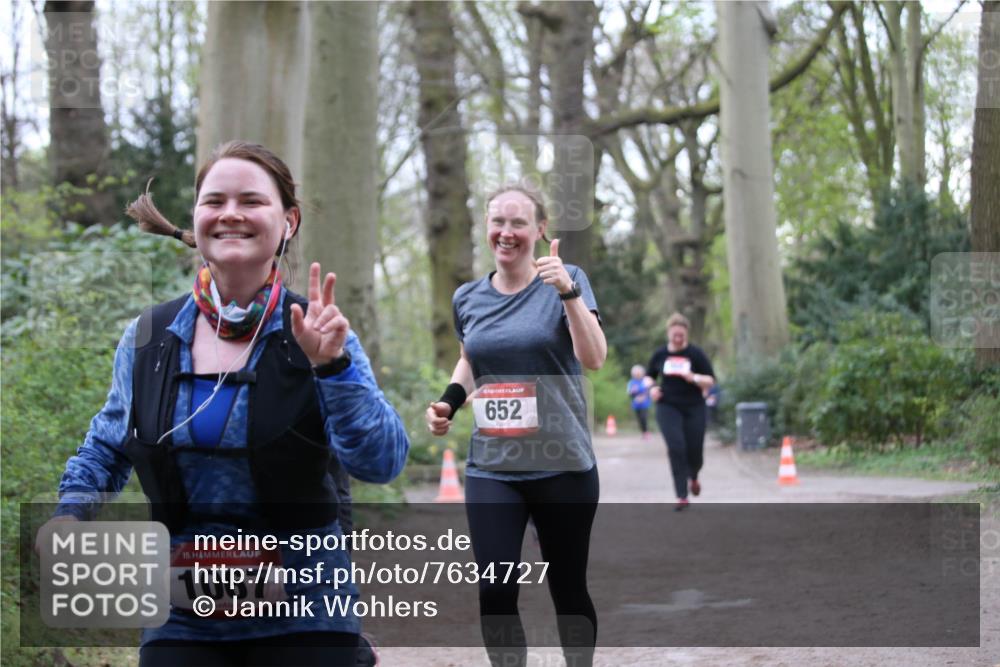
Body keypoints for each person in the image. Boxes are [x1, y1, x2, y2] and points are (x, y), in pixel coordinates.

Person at [37, 141, 409, 666]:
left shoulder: (319, 329)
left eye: (251, 201)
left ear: (288, 222)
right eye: (215, 201)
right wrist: (69, 515)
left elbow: (382, 462)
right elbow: (107, 444)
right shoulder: (149, 336)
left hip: (307, 609)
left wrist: (334, 368)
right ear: (197, 218)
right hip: (183, 613)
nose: (231, 213)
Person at [425, 183, 606, 667]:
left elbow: (594, 357)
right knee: (495, 590)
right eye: (497, 222)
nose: (506, 233)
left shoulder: (567, 279)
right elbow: (470, 359)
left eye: (518, 222)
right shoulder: (468, 297)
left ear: (540, 229)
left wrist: (566, 292)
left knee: (567, 589)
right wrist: (449, 401)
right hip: (494, 466)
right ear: (486, 228)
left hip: (562, 463)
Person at [645, 312, 715, 511]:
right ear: (668, 333)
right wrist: (651, 389)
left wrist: (693, 377)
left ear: (687, 335)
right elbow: (649, 377)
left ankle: (693, 476)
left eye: (681, 336)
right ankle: (681, 495)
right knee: (676, 447)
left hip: (694, 405)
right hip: (668, 405)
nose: (677, 339)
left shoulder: (696, 354)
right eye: (674, 335)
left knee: (695, 450)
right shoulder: (660, 354)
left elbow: (711, 380)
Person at [626, 364, 652, 439]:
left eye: (638, 372)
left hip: (645, 403)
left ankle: (646, 432)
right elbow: (629, 393)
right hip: (636, 404)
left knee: (644, 417)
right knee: (639, 419)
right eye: (635, 373)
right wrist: (634, 394)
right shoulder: (631, 382)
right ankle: (643, 432)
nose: (637, 374)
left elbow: (649, 390)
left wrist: (643, 396)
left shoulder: (646, 380)